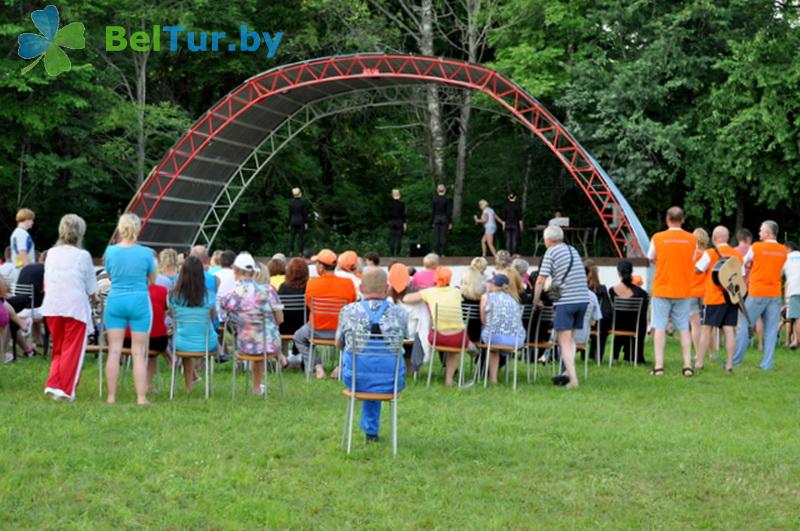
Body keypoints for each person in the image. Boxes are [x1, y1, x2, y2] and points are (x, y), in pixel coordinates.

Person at [337, 267, 407, 443]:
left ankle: (371, 431)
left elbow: (339, 342)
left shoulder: (347, 311)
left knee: (364, 363)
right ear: (387, 289)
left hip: (355, 379)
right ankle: (371, 432)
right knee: (380, 362)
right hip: (391, 381)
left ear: (361, 288)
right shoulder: (400, 313)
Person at [38, 215, 97, 400]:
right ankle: (65, 389)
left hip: (53, 305)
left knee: (59, 347)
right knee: (73, 349)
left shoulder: (51, 253)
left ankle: (53, 383)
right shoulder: (83, 255)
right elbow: (91, 286)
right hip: (74, 307)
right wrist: (94, 298)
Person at [103, 213, 155, 405]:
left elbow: (109, 274)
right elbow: (153, 279)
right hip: (139, 301)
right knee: (138, 351)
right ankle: (141, 398)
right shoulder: (146, 253)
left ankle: (111, 396)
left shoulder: (110, 252)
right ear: (137, 228)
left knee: (114, 350)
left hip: (116, 300)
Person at [220, 253, 285, 395]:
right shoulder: (269, 290)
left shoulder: (232, 295)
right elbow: (280, 319)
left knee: (255, 342)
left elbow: (223, 318)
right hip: (270, 345)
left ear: (235, 270)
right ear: (253, 271)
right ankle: (256, 388)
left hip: (245, 345)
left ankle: (256, 388)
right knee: (260, 342)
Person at [533, 225, 589, 388]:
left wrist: (536, 300)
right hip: (582, 300)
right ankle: (566, 373)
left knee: (563, 342)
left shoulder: (551, 252)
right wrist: (554, 301)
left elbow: (540, 280)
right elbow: (562, 280)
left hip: (567, 302)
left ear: (548, 240)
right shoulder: (573, 250)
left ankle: (573, 380)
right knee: (570, 339)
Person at [647, 207, 696, 377]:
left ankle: (659, 366)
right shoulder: (692, 239)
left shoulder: (658, 237)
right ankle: (687, 365)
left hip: (662, 287)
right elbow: (692, 259)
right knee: (683, 327)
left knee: (659, 326)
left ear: (668, 219)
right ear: (682, 220)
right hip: (683, 288)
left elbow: (650, 257)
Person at [293, 249, 357, 379]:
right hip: (341, 332)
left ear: (321, 267)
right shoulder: (348, 283)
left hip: (316, 329)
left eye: (317, 264)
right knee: (355, 340)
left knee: (298, 337)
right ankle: (341, 367)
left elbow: (310, 305)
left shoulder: (312, 282)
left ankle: (317, 366)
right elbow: (352, 306)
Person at [733, 220, 787, 369]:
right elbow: (780, 271)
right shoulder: (783, 250)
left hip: (757, 292)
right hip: (775, 293)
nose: (759, 232)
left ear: (768, 233)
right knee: (771, 328)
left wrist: (747, 271)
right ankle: (767, 364)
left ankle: (736, 360)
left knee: (744, 323)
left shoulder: (756, 247)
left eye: (761, 230)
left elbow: (743, 262)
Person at [403, 266, 470, 386]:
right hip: (459, 338)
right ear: (449, 279)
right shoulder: (456, 291)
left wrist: (424, 297)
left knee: (433, 334)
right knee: (454, 350)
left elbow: (406, 299)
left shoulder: (429, 292)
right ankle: (449, 380)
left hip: (438, 338)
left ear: (435, 279)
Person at [693, 226, 741, 372]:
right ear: (727, 238)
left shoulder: (710, 253)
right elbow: (741, 276)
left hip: (714, 298)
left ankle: (699, 363)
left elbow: (697, 269)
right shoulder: (737, 255)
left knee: (706, 329)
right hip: (731, 298)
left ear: (714, 238)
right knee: (729, 330)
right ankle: (729, 365)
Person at [170, 256, 218, 395]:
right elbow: (213, 317)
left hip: (181, 343)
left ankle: (188, 387)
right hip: (207, 344)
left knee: (185, 342)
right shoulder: (209, 296)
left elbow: (173, 316)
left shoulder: (174, 296)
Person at [480, 274, 526, 384]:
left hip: (495, 338)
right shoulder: (513, 299)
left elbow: (483, 320)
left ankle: (493, 378)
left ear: (493, 285)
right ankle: (496, 377)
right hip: (517, 340)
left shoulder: (486, 297)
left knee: (492, 344)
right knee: (494, 342)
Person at [608, 260, 649, 364]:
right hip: (634, 327)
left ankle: (614, 358)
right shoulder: (641, 293)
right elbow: (643, 315)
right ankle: (634, 355)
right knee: (641, 322)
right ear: (632, 272)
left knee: (620, 322)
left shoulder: (611, 291)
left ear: (618, 273)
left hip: (617, 326)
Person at [279, 257, 310, 366]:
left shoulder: (282, 287)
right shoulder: (309, 288)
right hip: (303, 327)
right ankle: (301, 356)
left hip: (283, 327)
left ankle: (283, 359)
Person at [584, 259, 611, 362]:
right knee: (603, 327)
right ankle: (597, 355)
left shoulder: (582, 288)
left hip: (585, 322)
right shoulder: (602, 289)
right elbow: (607, 310)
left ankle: (584, 353)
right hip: (600, 323)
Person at [689, 228, 709, 361]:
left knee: (695, 324)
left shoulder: (689, 254)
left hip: (690, 291)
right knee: (707, 324)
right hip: (706, 291)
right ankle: (709, 351)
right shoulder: (708, 255)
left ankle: (698, 352)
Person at [784, 241, 800, 349]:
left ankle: (798, 343)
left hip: (795, 289)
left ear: (788, 249)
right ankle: (795, 341)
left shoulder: (786, 258)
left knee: (797, 317)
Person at [287, 187, 309, 256]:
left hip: (293, 221)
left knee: (292, 237)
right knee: (301, 238)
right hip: (301, 221)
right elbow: (305, 214)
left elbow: (290, 214)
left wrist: (289, 223)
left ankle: (291, 252)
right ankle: (300, 252)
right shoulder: (303, 203)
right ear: (299, 194)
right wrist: (306, 222)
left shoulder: (291, 203)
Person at [431, 184, 452, 256]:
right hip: (444, 219)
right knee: (443, 236)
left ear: (437, 190)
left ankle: (437, 252)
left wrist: (432, 221)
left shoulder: (434, 199)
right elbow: (448, 212)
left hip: (436, 218)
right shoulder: (446, 199)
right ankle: (443, 253)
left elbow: (433, 211)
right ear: (445, 190)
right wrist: (450, 222)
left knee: (436, 236)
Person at [388, 189, 406, 256]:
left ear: (392, 195)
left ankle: (392, 253)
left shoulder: (390, 204)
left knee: (392, 238)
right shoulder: (402, 204)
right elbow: (403, 214)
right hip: (399, 222)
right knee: (398, 239)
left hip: (392, 221)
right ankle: (397, 254)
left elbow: (387, 214)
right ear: (399, 195)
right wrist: (404, 223)